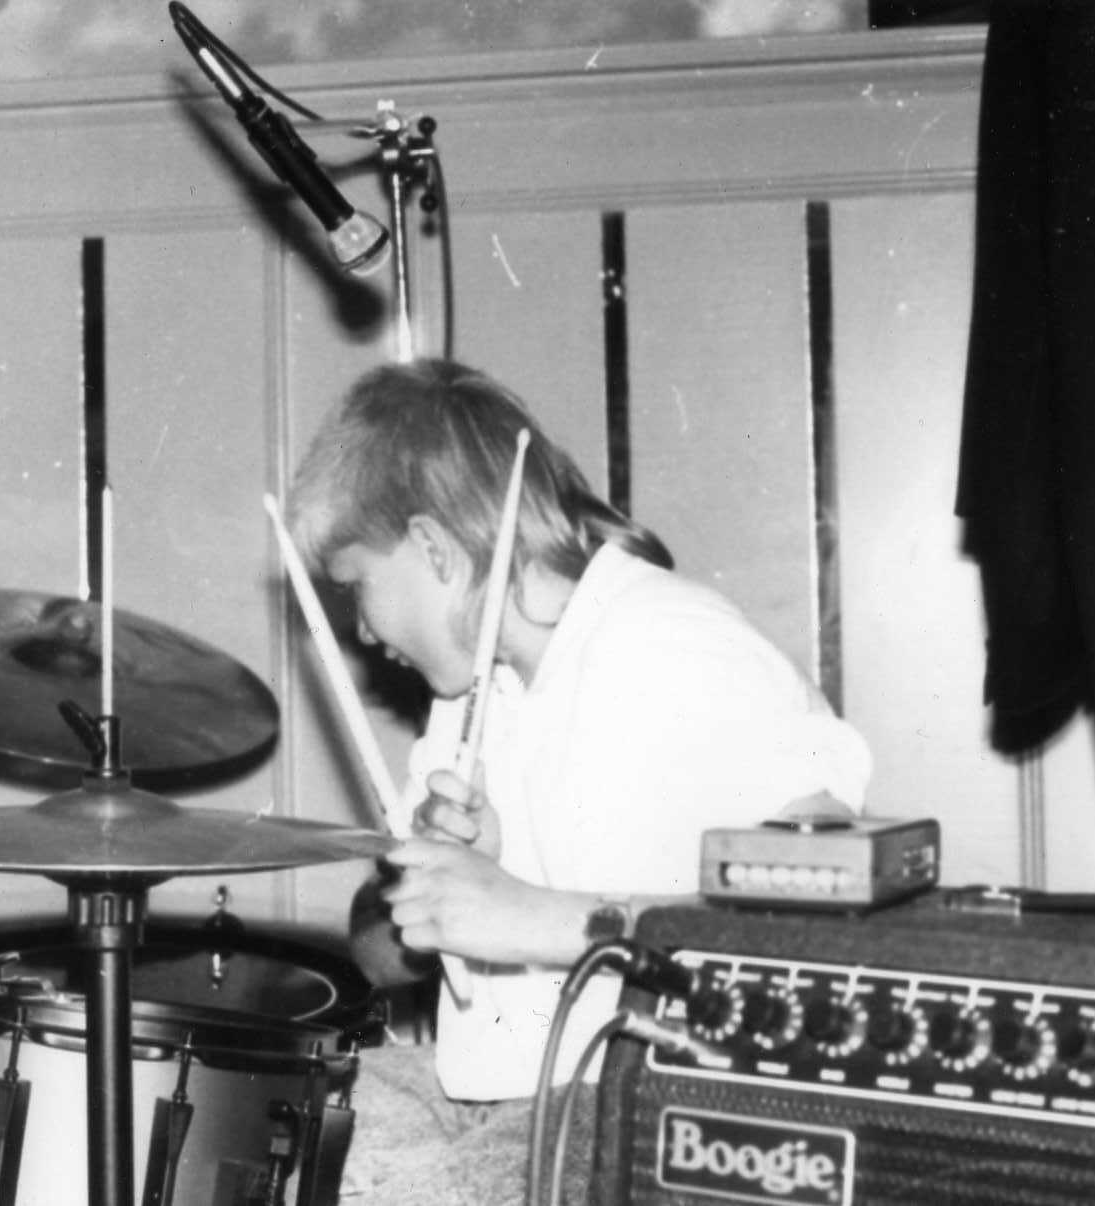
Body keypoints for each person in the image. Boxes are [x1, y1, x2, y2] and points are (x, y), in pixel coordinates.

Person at [284, 358, 871, 1204]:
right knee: (266, 1127)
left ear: (433, 548)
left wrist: (535, 917)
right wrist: (429, 888)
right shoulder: (471, 694)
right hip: (495, 1093)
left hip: (672, 1102)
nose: (365, 635)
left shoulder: (672, 642)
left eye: (357, 588)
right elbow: (376, 956)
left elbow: (830, 924)